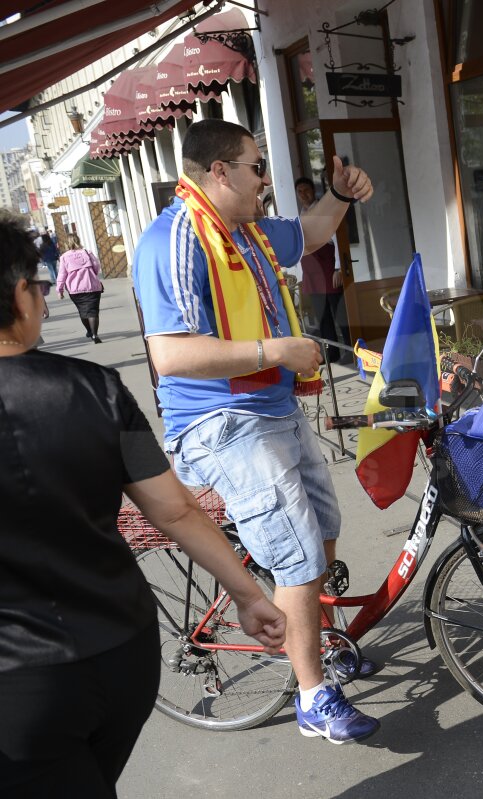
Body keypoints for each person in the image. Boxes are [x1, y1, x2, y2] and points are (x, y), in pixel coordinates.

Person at [0, 211, 286, 795]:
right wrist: (247, 593)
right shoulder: (96, 388)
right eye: (37, 285)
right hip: (124, 654)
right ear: (16, 295)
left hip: (20, 684)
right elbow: (174, 509)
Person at [132, 119, 379, 744]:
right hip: (220, 422)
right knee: (297, 551)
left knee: (323, 531)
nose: (265, 180)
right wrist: (277, 349)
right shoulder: (176, 240)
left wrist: (342, 194)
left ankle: (312, 640)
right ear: (220, 172)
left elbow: (313, 232)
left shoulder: (244, 231)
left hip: (271, 408)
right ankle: (312, 697)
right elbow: (172, 356)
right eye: (256, 167)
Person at [295, 176, 352, 365]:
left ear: (314, 190)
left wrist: (338, 268)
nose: (304, 194)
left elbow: (336, 239)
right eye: (300, 191)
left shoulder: (323, 212)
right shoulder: (301, 215)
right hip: (311, 272)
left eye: (306, 190)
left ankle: (351, 351)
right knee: (323, 316)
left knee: (339, 312)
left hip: (328, 268)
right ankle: (332, 353)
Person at [55, 231, 105, 343]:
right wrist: (93, 274)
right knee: (93, 311)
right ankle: (95, 335)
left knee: (83, 311)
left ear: (67, 244)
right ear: (78, 241)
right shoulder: (87, 252)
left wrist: (60, 290)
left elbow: (62, 274)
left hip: (75, 289)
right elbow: (96, 266)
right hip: (92, 286)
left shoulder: (64, 257)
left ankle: (89, 331)